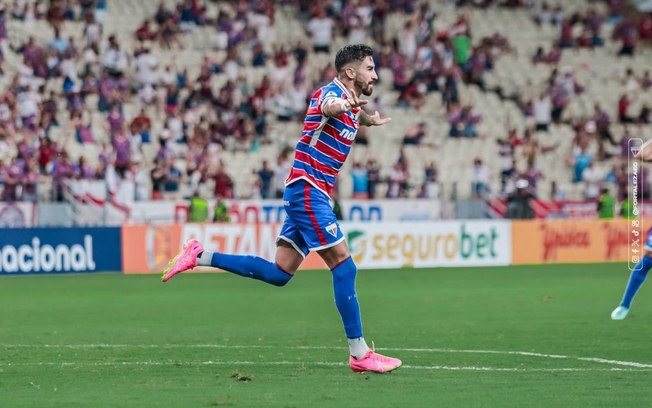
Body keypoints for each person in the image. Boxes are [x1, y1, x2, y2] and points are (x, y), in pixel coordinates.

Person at [161, 44, 401, 373]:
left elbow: (344, 115)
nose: (375, 74)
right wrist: (346, 105)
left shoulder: (351, 105)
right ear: (350, 72)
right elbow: (329, 107)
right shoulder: (329, 95)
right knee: (344, 267)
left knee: (279, 273)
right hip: (308, 190)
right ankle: (359, 354)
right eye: (370, 68)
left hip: (309, 192)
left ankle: (199, 255)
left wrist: (366, 120)